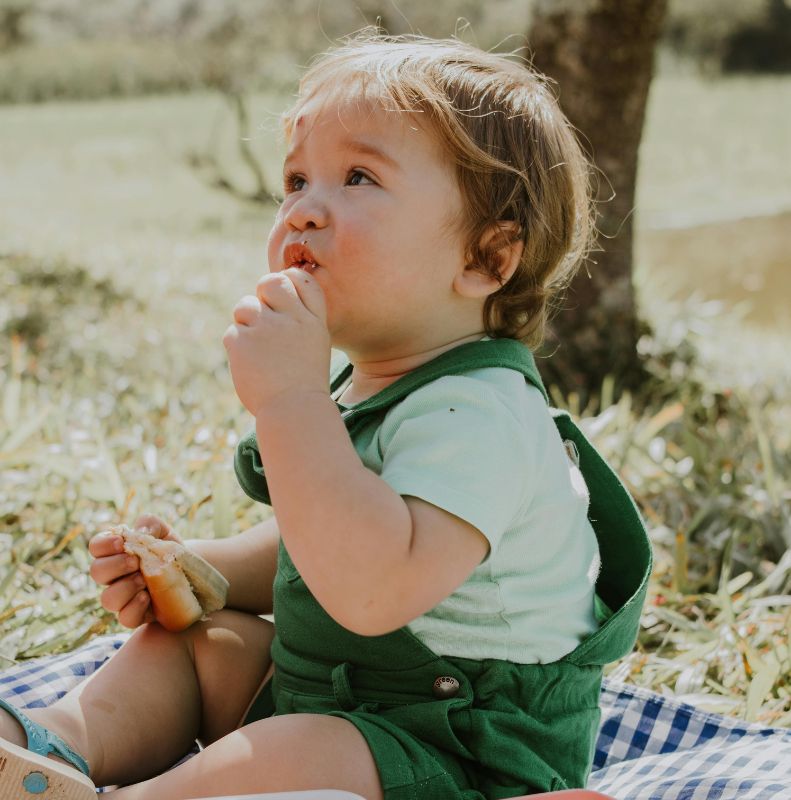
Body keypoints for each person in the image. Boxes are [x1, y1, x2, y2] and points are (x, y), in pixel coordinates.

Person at [0, 30, 651, 800]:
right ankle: (48, 743)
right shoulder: (371, 386)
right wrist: (201, 569)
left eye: (358, 177)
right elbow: (308, 540)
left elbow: (374, 588)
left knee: (304, 748)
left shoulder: (482, 416)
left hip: (467, 751)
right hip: (346, 697)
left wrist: (290, 400)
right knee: (197, 646)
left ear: (486, 259)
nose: (306, 210)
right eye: (297, 179)